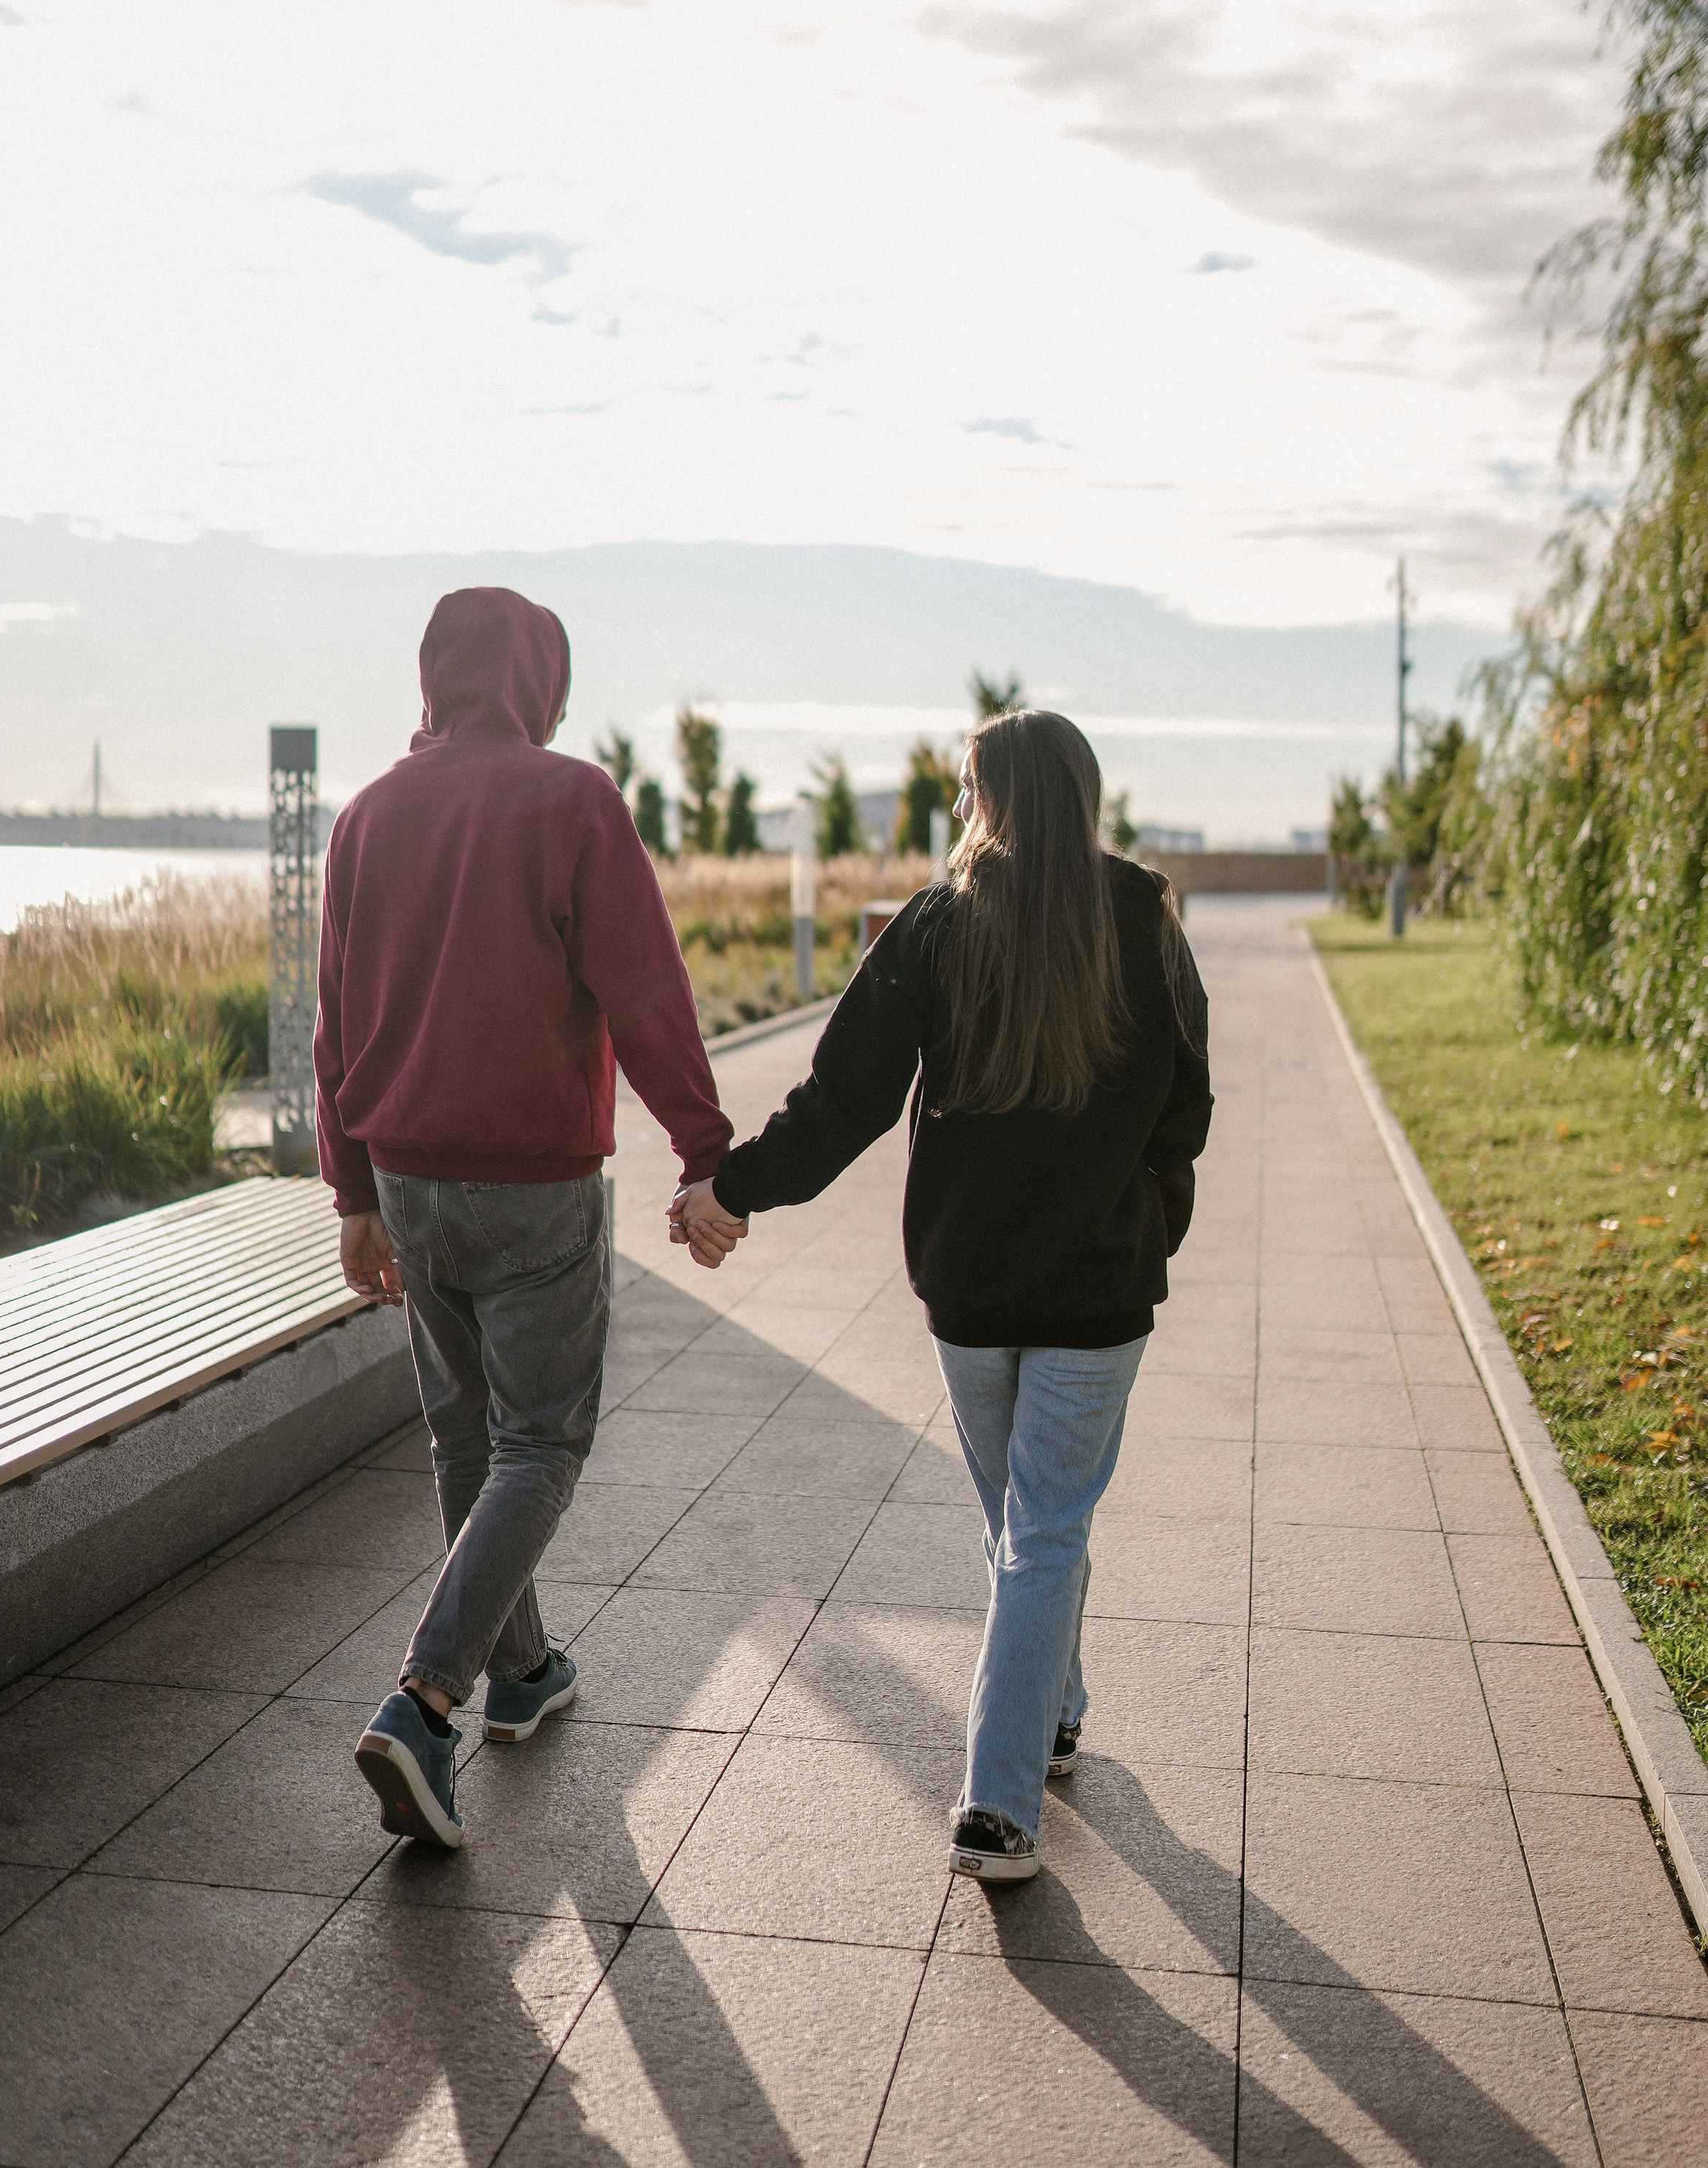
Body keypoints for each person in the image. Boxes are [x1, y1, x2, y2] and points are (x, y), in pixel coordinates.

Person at [674, 708, 1212, 1882]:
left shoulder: (941, 919)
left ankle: (999, 1801)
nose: (967, 810)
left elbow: (842, 1096)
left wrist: (734, 1187)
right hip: (1093, 1293)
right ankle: (1050, 1712)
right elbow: (1189, 1104)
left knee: (1029, 1526)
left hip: (971, 1285)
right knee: (1039, 1527)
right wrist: (1144, 1210)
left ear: (995, 795)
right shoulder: (1145, 918)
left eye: (972, 789)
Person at [318, 586, 739, 1851]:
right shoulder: (571, 802)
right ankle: (428, 1698)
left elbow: (337, 1021)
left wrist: (350, 1191)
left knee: (467, 1442)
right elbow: (645, 988)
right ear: (536, 679)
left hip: (406, 1173)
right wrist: (705, 1147)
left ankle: (525, 1669)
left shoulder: (367, 816)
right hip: (534, 1180)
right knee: (541, 1443)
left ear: (434, 673)